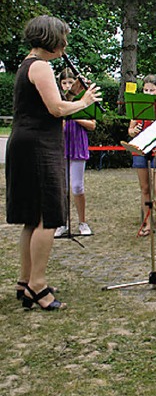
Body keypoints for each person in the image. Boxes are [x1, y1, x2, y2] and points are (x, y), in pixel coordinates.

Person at [5, 15, 102, 310]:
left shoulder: (27, 65)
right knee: (48, 217)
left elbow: (45, 103)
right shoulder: (42, 66)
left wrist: (73, 94)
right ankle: (37, 285)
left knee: (31, 219)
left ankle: (25, 281)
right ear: (52, 40)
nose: (66, 43)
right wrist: (85, 101)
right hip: (38, 146)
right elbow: (56, 108)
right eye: (64, 37)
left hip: (24, 141)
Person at [127, 74, 156, 237]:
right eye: (145, 90)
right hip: (140, 149)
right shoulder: (138, 107)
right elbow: (131, 130)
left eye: (151, 90)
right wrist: (133, 131)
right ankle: (147, 223)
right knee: (145, 188)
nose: (148, 93)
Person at [54, 68, 96, 237]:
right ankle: (62, 223)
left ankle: (82, 222)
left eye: (70, 83)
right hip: (61, 146)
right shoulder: (57, 101)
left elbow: (92, 125)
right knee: (62, 187)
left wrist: (73, 115)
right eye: (64, 83)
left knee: (77, 186)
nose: (67, 86)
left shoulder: (83, 102)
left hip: (78, 144)